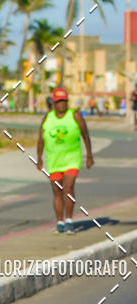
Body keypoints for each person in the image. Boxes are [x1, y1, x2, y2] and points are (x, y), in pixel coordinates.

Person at [36, 87, 94, 233]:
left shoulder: (75, 116)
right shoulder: (47, 118)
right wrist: (39, 158)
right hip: (54, 160)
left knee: (68, 188)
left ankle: (68, 220)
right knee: (57, 191)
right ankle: (60, 222)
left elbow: (85, 135)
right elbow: (41, 140)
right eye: (58, 101)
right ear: (53, 103)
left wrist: (89, 155)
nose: (61, 104)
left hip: (71, 159)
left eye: (64, 101)